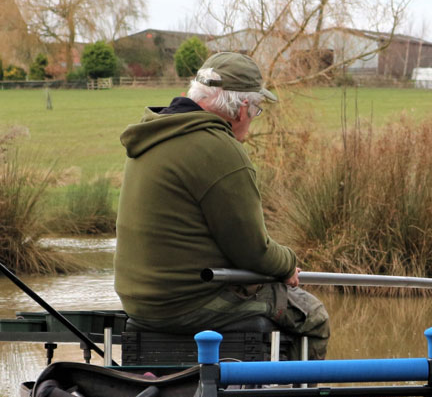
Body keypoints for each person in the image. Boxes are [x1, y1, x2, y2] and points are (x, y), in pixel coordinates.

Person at [114, 52, 329, 359]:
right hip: (185, 305)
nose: (252, 121)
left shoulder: (156, 133)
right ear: (243, 108)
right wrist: (287, 264)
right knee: (312, 314)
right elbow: (253, 251)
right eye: (257, 111)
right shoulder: (219, 150)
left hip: (138, 301)